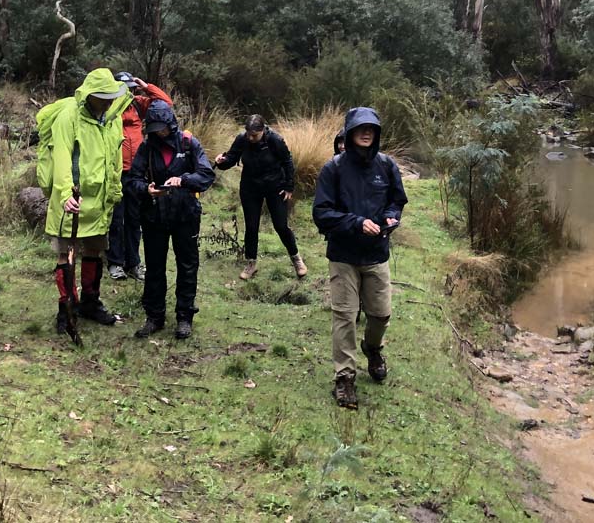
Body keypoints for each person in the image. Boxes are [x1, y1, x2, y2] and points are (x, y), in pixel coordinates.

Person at [313, 107, 407, 410]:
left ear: (377, 134)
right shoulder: (333, 169)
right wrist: (356, 223)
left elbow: (396, 201)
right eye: (361, 128)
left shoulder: (386, 166)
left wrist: (391, 217)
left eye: (372, 129)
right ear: (350, 132)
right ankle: (345, 378)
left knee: (380, 315)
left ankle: (373, 348)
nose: (366, 133)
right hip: (343, 255)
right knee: (345, 317)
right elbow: (321, 213)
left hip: (376, 254)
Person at [40, 68, 131, 334]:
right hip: (72, 200)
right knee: (65, 253)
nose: (109, 102)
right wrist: (65, 194)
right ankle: (66, 307)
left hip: (99, 202)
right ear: (90, 94)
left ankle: (90, 303)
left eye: (111, 97)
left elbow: (115, 157)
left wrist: (114, 191)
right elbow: (62, 157)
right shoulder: (69, 117)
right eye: (104, 97)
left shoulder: (112, 118)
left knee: (94, 250)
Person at [128, 100, 215, 340]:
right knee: (155, 266)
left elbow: (206, 175)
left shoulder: (188, 143)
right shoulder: (146, 148)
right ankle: (154, 317)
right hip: (154, 215)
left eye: (162, 128)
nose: (159, 133)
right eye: (154, 129)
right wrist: (146, 189)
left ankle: (184, 317)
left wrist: (184, 180)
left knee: (187, 265)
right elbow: (132, 180)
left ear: (170, 123)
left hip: (185, 215)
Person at [215, 115, 306, 281]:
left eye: (254, 135)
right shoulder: (242, 139)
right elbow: (231, 159)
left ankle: (296, 259)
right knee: (251, 226)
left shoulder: (275, 140)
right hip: (250, 187)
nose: (251, 138)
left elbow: (287, 161)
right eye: (248, 134)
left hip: (275, 186)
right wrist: (222, 161)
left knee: (281, 226)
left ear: (263, 130)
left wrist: (289, 186)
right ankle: (251, 263)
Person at [106, 72, 172, 282]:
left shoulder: (138, 104)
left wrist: (146, 87)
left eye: (131, 88)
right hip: (115, 172)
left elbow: (165, 105)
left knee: (135, 219)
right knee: (116, 219)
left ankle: (133, 263)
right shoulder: (108, 107)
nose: (128, 92)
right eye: (124, 88)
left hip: (137, 173)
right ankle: (115, 262)